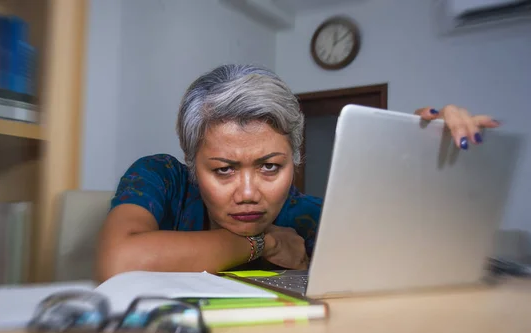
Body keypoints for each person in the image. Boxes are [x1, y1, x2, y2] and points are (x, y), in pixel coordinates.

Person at [96, 64, 500, 281]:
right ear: (191, 162)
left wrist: (418, 165)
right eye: (223, 170)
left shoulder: (310, 216)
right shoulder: (161, 178)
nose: (249, 192)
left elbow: (423, 262)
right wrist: (264, 244)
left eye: (270, 167)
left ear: (296, 160)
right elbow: (120, 260)